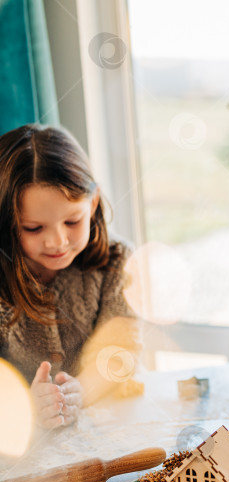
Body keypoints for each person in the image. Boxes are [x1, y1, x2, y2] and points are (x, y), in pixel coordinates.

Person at [0, 124, 139, 429]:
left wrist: (82, 391)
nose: (58, 241)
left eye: (72, 221)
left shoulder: (117, 261)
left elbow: (121, 352)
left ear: (92, 204)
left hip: (98, 431)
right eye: (34, 228)